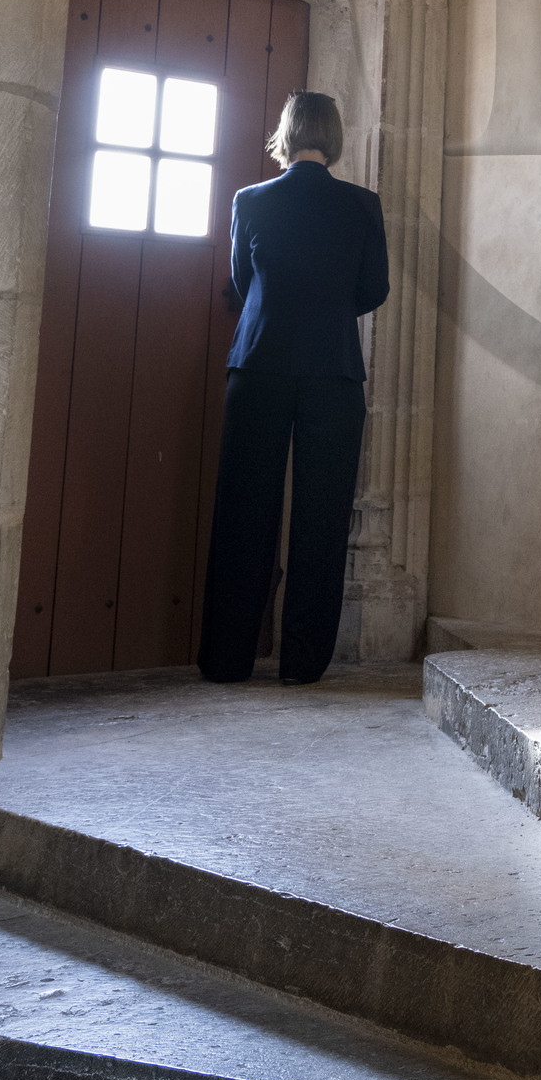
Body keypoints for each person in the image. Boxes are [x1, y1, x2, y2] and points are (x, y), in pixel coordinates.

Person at [197, 91, 389, 686]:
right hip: (332, 368)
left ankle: (228, 659)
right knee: (322, 518)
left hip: (259, 364)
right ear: (333, 136)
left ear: (285, 132)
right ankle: (303, 663)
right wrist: (328, 310)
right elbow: (374, 289)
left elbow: (241, 280)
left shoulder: (250, 201)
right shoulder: (362, 205)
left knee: (243, 513)